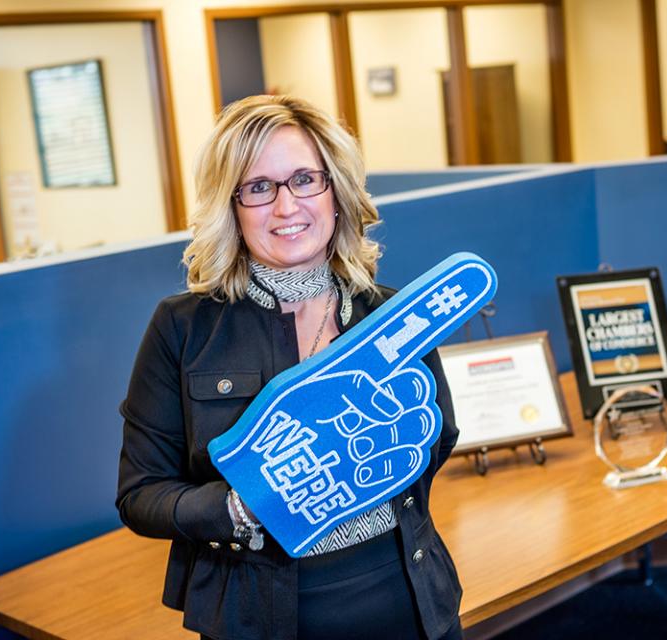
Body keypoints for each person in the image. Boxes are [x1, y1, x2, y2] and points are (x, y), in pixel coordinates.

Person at [116, 94, 463, 640]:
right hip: (258, 614)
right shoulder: (183, 329)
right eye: (259, 187)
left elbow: (436, 436)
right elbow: (141, 495)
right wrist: (242, 506)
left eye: (305, 179)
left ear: (335, 190)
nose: (286, 207)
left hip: (410, 603)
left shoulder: (393, 317)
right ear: (229, 206)